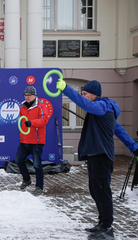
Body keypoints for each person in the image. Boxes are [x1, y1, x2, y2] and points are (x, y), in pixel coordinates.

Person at [56, 79, 138, 240]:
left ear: (94, 94)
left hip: (102, 156)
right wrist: (134, 147)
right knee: (96, 191)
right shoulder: (101, 112)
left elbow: (86, 105)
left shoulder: (102, 107)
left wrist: (66, 89)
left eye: (85, 93)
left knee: (102, 191)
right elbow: (119, 130)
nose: (83, 96)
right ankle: (102, 223)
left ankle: (107, 228)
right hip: (95, 156)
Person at [15, 86, 50, 196]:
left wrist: (32, 123)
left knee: (37, 165)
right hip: (25, 140)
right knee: (19, 160)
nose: (27, 97)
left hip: (37, 141)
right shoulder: (22, 107)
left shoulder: (41, 106)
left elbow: (44, 120)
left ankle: (39, 187)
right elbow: (23, 121)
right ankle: (27, 180)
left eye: (29, 95)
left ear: (35, 95)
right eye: (26, 95)